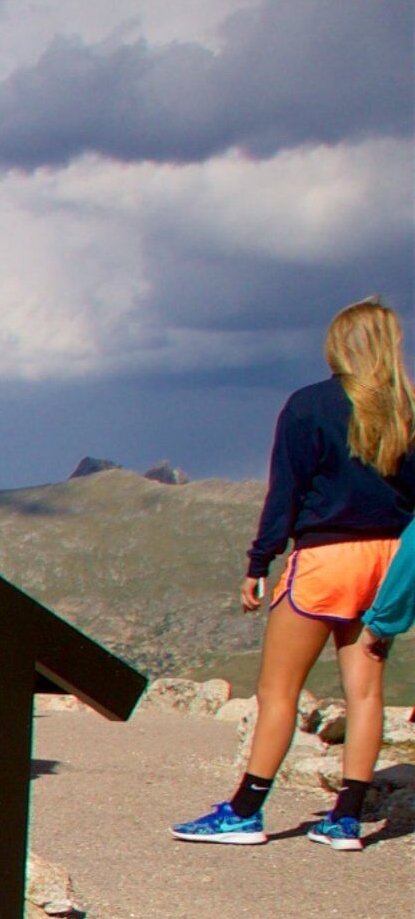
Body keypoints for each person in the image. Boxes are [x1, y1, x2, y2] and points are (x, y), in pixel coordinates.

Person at [175, 298, 409, 851]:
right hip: (388, 560)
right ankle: (347, 820)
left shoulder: (309, 406)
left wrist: (259, 562)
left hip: (326, 559)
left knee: (278, 691)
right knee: (365, 692)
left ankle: (245, 811)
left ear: (337, 345)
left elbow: (286, 494)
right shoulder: (408, 410)